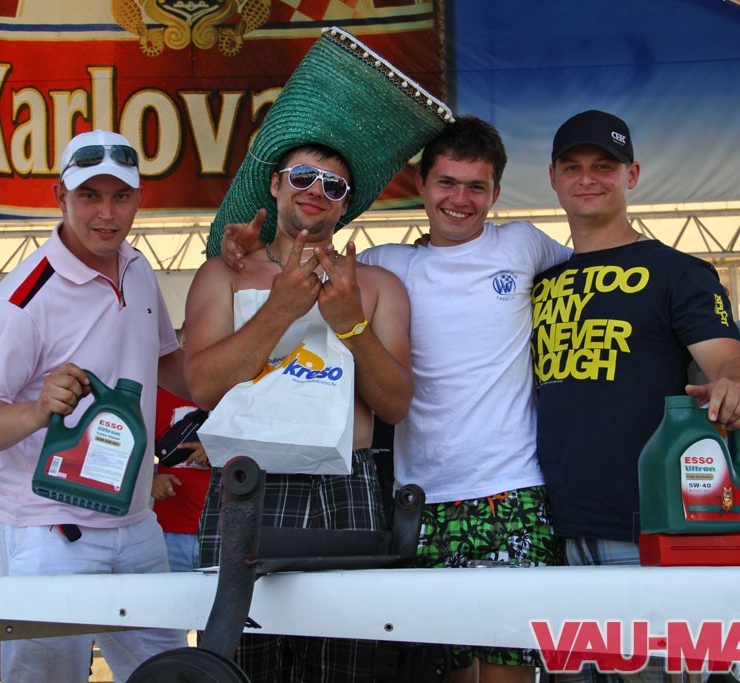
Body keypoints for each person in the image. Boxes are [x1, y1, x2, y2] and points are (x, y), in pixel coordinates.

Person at [222, 116, 570, 683]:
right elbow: (296, 265)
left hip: (512, 491)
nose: (459, 199)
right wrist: (246, 248)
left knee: (506, 670)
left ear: (496, 192)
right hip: (417, 499)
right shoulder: (385, 264)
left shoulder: (524, 244)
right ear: (422, 184)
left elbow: (598, 267)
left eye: (476, 187)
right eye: (446, 183)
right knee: (445, 671)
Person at [531, 110, 740, 680]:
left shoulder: (677, 272)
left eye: (604, 166)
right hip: (553, 529)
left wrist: (737, 386)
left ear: (631, 175)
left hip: (649, 528)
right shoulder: (539, 281)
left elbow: (731, 359)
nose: (588, 178)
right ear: (553, 178)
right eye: (572, 167)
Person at [0, 129, 188, 682]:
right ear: (60, 196)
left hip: (136, 523)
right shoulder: (22, 300)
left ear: (139, 198)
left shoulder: (137, 267)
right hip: (50, 531)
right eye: (90, 196)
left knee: (170, 674)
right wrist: (38, 409)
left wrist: (250, 372)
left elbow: (171, 365)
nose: (107, 213)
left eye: (121, 196)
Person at [185, 143, 414, 682]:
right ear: (275, 184)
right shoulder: (223, 274)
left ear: (345, 204)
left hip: (346, 480)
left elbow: (395, 404)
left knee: (348, 662)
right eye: (303, 176)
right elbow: (204, 388)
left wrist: (351, 323)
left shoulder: (376, 286)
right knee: (241, 659)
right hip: (249, 480)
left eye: (334, 186)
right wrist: (281, 307)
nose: (316, 191)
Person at [152, 325, 212, 573]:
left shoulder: (239, 395)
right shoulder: (155, 398)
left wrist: (218, 450)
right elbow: (130, 454)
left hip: (223, 531)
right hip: (168, 530)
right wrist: (150, 481)